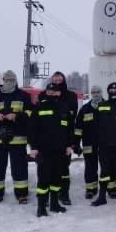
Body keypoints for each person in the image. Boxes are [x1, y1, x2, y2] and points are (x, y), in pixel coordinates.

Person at [0, 70, 33, 205]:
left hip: (18, 139)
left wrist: (17, 116)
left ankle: (22, 195)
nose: (8, 82)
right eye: (6, 80)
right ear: (2, 81)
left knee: (19, 168)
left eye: (11, 80)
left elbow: (31, 112)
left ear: (15, 81)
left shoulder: (24, 96)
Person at [29, 83, 75, 217]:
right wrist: (34, 147)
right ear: (46, 92)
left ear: (59, 93)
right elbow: (32, 130)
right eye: (49, 91)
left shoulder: (64, 108)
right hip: (44, 151)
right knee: (43, 179)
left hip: (60, 151)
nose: (52, 94)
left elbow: (69, 129)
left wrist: (69, 145)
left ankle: (54, 204)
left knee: (57, 179)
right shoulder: (39, 107)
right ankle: (41, 207)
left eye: (55, 92)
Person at [45, 71, 79, 206]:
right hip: (47, 139)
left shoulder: (71, 96)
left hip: (64, 137)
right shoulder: (43, 94)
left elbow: (72, 115)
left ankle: (64, 194)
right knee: (47, 169)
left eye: (60, 79)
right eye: (55, 79)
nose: (57, 80)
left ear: (63, 80)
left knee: (63, 168)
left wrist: (72, 143)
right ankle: (47, 195)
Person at [74, 86, 103, 199]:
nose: (95, 94)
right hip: (88, 144)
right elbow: (78, 128)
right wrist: (76, 143)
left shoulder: (107, 106)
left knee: (107, 166)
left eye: (97, 92)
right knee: (90, 167)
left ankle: (111, 188)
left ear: (101, 93)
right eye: (93, 92)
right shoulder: (85, 109)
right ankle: (91, 189)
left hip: (104, 143)